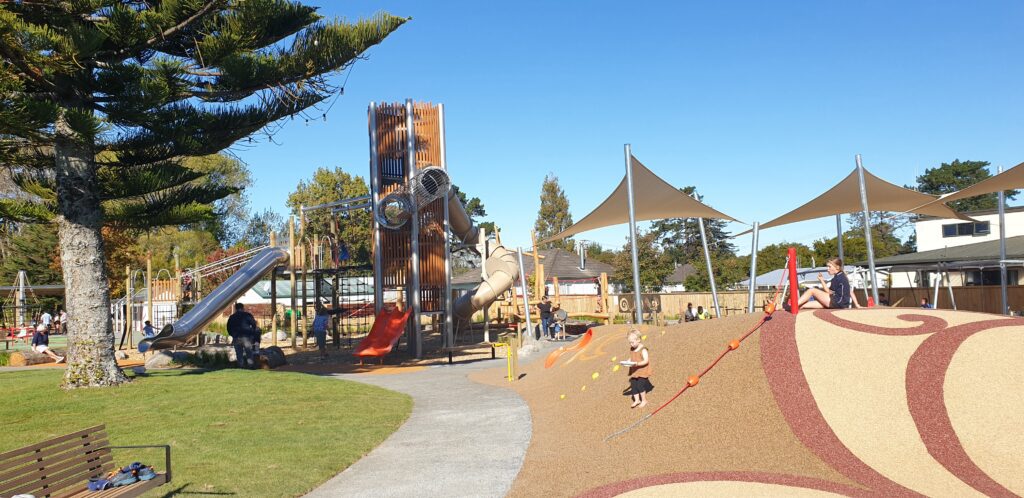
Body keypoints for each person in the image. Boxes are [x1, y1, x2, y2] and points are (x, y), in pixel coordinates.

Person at [624, 329, 653, 408]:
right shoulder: (632, 349)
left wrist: (637, 364)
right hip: (635, 371)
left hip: (643, 371)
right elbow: (632, 357)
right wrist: (627, 362)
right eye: (630, 342)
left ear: (638, 340)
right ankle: (637, 400)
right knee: (633, 385)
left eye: (632, 342)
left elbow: (646, 361)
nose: (631, 344)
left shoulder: (643, 350)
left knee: (640, 386)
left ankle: (644, 400)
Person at [227, 303, 260, 369]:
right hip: (246, 336)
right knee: (249, 352)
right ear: (243, 308)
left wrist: (232, 335)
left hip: (236, 337)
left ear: (236, 308)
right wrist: (252, 333)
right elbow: (254, 324)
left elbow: (228, 327)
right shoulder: (247, 315)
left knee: (239, 353)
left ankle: (240, 366)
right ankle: (250, 365)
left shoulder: (232, 317)